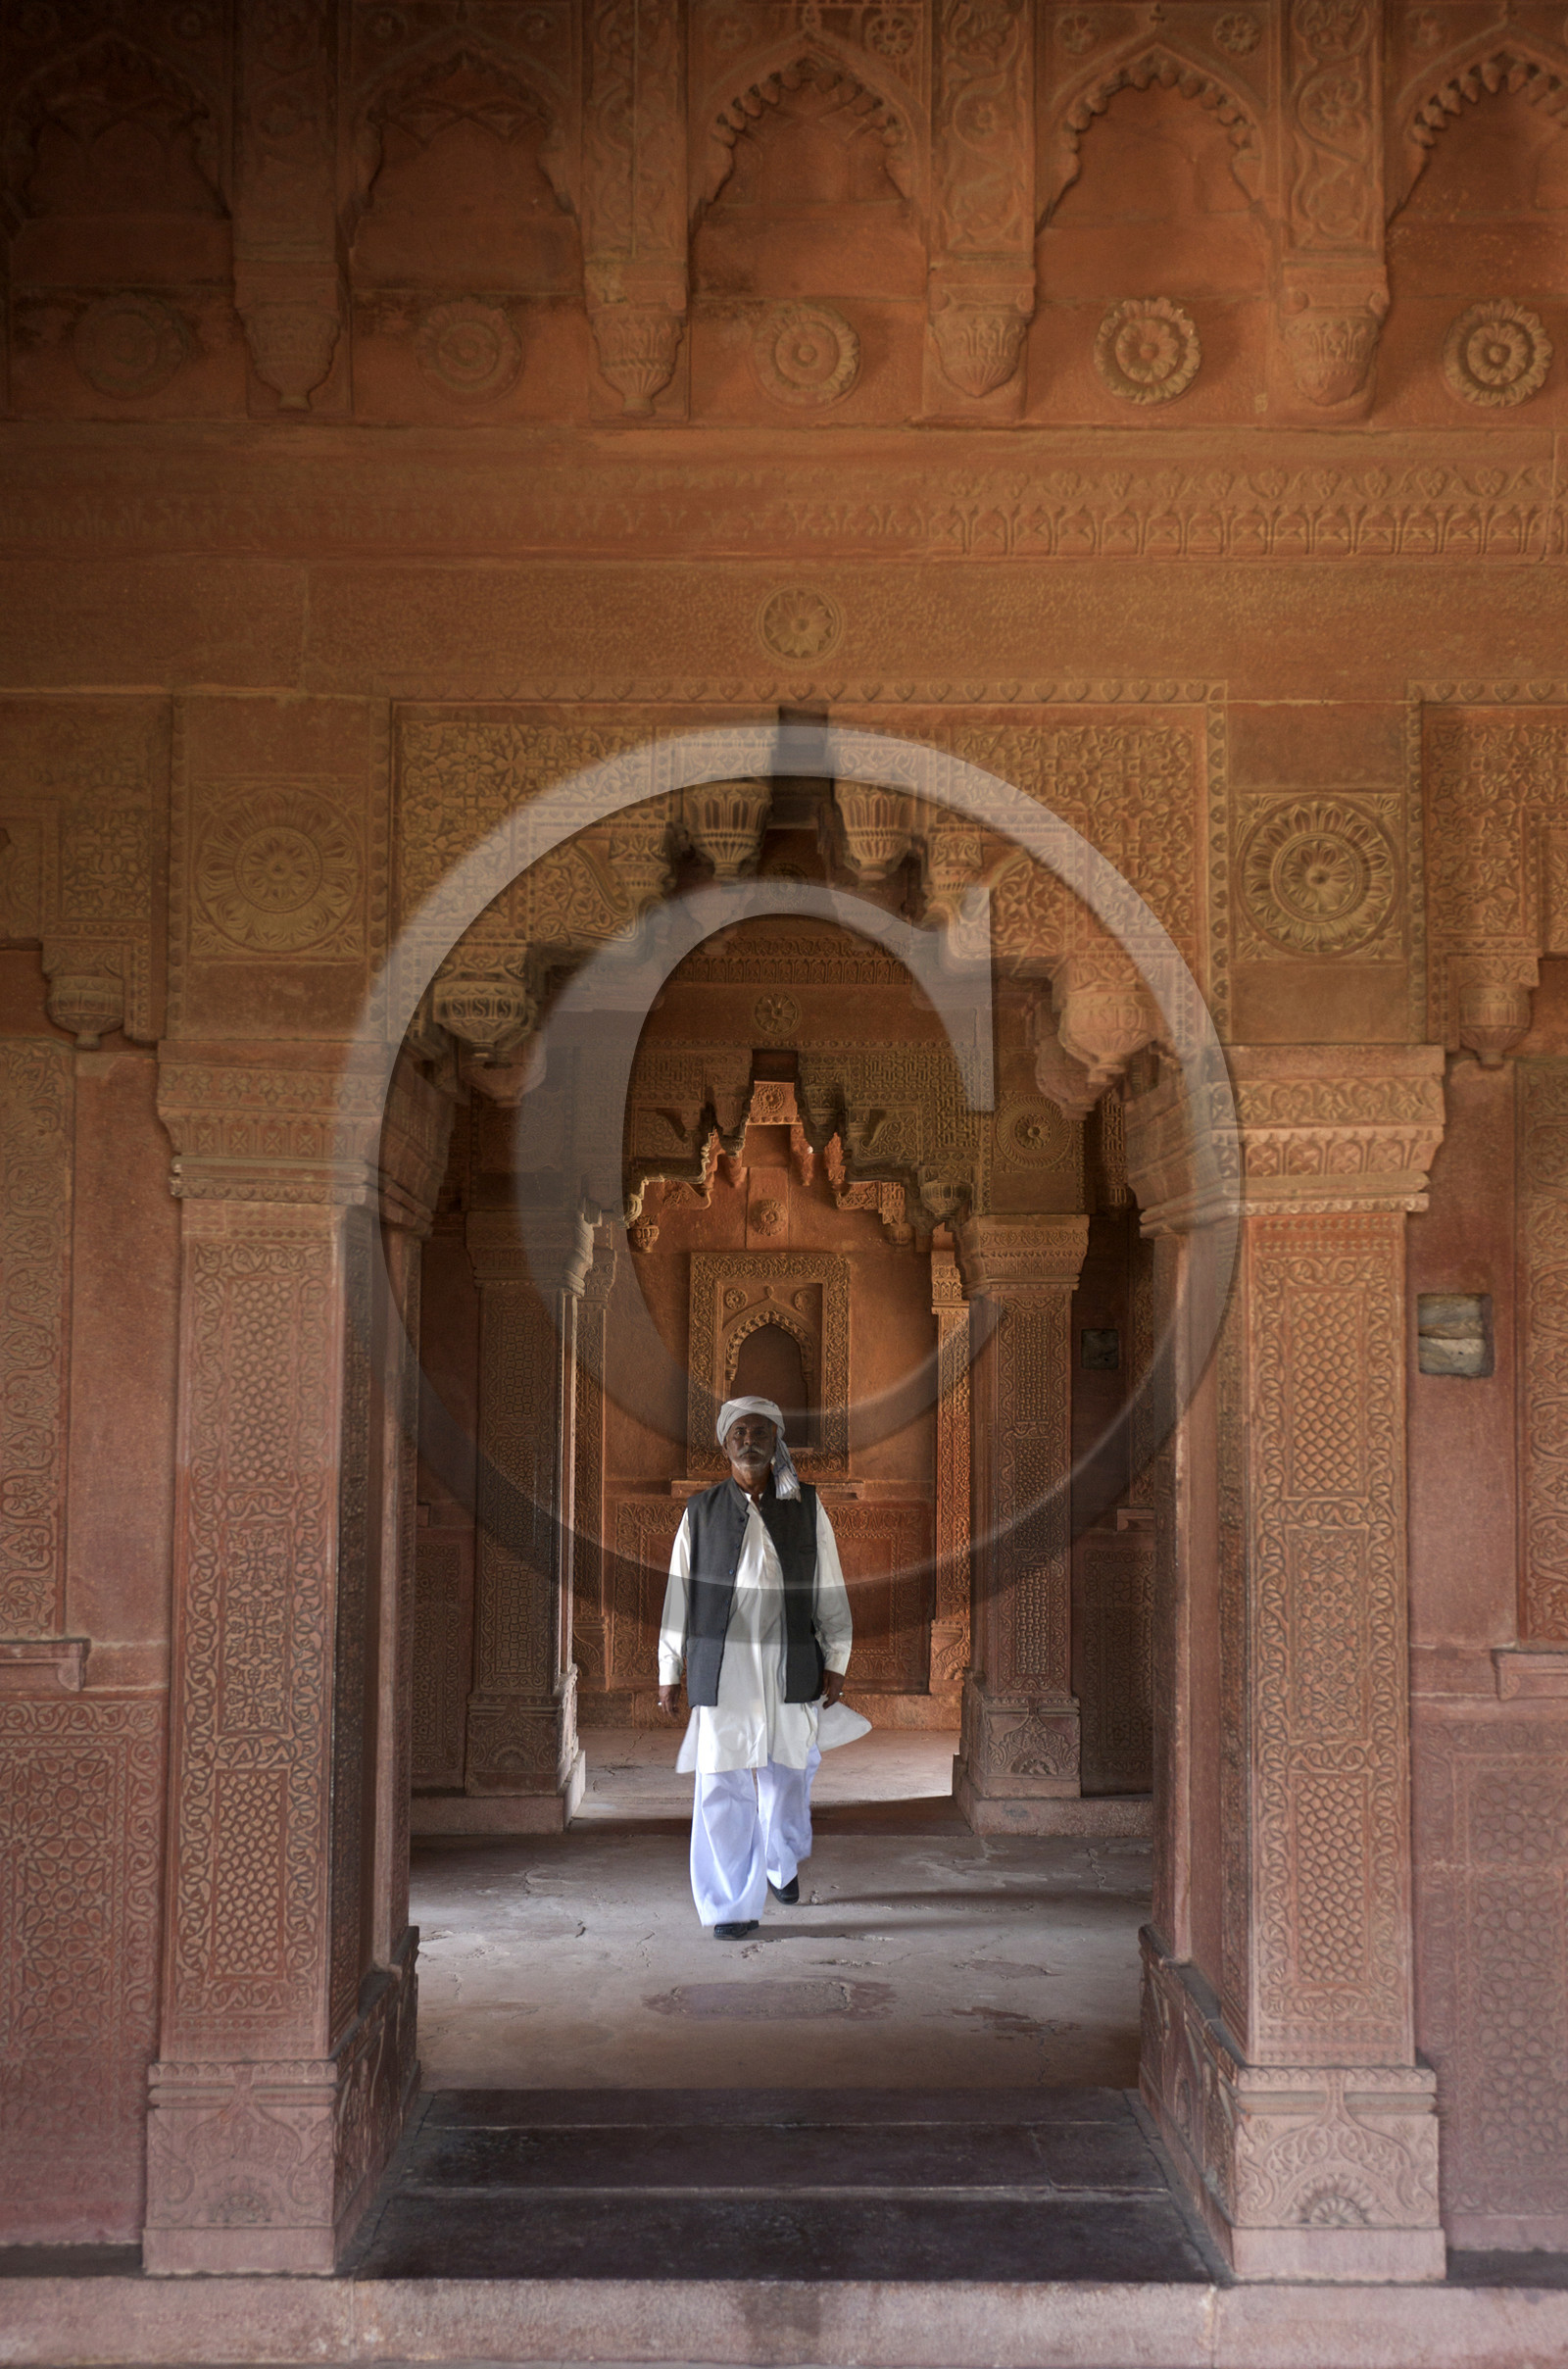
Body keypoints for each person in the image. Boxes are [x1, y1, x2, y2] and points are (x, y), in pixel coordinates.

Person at [658, 1395, 853, 1939]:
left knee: (789, 1774)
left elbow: (829, 1586)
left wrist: (836, 1657)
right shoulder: (700, 1512)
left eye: (761, 1429)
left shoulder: (807, 1506)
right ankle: (729, 1906)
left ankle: (780, 1860)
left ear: (777, 1440)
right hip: (723, 1668)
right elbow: (679, 1594)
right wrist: (668, 1669)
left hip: (791, 1659)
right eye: (740, 1430)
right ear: (725, 1443)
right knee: (722, 1784)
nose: (750, 1439)